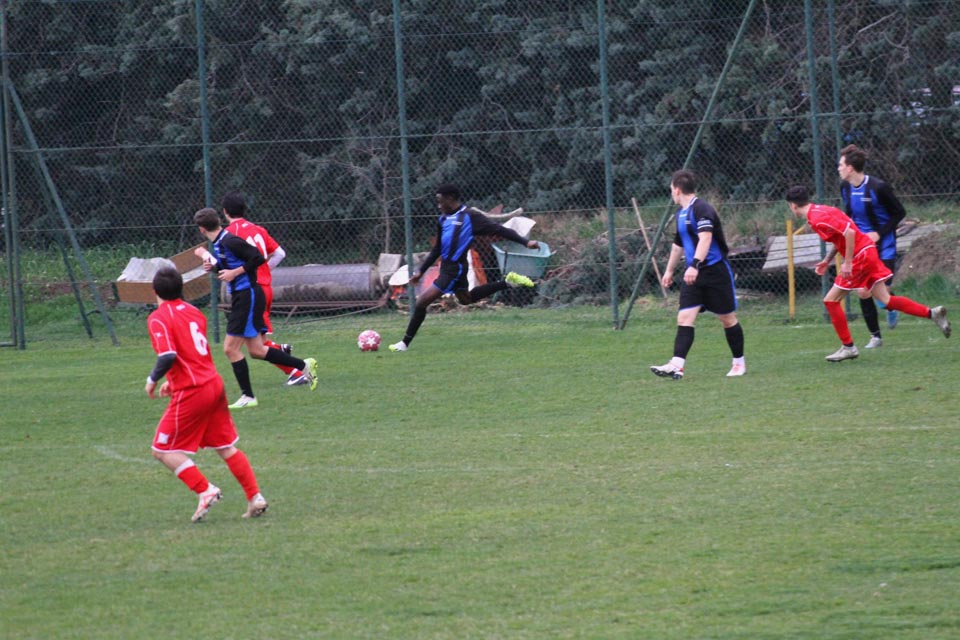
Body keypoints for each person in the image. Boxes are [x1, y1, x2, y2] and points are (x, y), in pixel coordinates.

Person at [145, 266, 269, 522]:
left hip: (194, 391)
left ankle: (205, 490)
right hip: (212, 383)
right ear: (181, 288)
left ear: (154, 291)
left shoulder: (158, 317)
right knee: (225, 447)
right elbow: (191, 353)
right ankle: (255, 497)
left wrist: (152, 379)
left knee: (162, 450)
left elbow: (168, 355)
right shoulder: (194, 312)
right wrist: (173, 381)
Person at [784, 185, 949, 361]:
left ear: (793, 205)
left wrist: (848, 262)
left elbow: (849, 233)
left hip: (860, 256)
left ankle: (848, 347)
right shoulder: (823, 209)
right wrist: (827, 260)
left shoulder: (817, 218)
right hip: (867, 250)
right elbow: (840, 237)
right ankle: (932, 313)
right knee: (885, 299)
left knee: (830, 301)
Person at [388, 184, 538, 352]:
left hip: (455, 269)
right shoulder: (443, 219)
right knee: (466, 299)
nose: (439, 206)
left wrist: (526, 242)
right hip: (448, 268)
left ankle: (404, 344)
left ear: (450, 198)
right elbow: (437, 249)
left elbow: (499, 230)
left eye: (440, 201)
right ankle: (508, 283)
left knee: (421, 301)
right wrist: (421, 272)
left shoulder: (470, 217)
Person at [193, 207, 318, 407]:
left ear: (201, 229)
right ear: (218, 221)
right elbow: (229, 267)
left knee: (230, 349)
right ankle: (303, 365)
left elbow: (257, 258)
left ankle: (248, 397)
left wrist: (234, 273)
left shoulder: (229, 241)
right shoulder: (220, 243)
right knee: (257, 350)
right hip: (244, 296)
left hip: (247, 296)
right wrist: (214, 267)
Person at [650, 170, 745, 380]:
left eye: (671, 190)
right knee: (684, 317)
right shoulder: (680, 214)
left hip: (714, 272)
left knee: (727, 319)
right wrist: (669, 271)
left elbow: (706, 238)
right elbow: (678, 245)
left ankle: (739, 363)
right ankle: (677, 365)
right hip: (692, 274)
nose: (671, 193)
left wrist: (694, 265)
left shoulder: (702, 209)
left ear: (677, 189)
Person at [221, 192, 307, 386]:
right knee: (257, 339)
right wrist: (265, 270)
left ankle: (296, 371)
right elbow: (280, 253)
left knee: (256, 344)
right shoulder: (258, 229)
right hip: (265, 288)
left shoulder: (229, 234)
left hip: (250, 290)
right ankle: (281, 351)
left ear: (225, 212)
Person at [838, 144, 907, 346]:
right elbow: (849, 214)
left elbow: (899, 213)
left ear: (850, 168)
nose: (838, 168)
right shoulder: (845, 187)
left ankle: (890, 306)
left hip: (884, 244)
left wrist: (878, 233)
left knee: (882, 291)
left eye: (841, 165)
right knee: (863, 291)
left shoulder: (878, 187)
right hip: (861, 247)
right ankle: (875, 337)